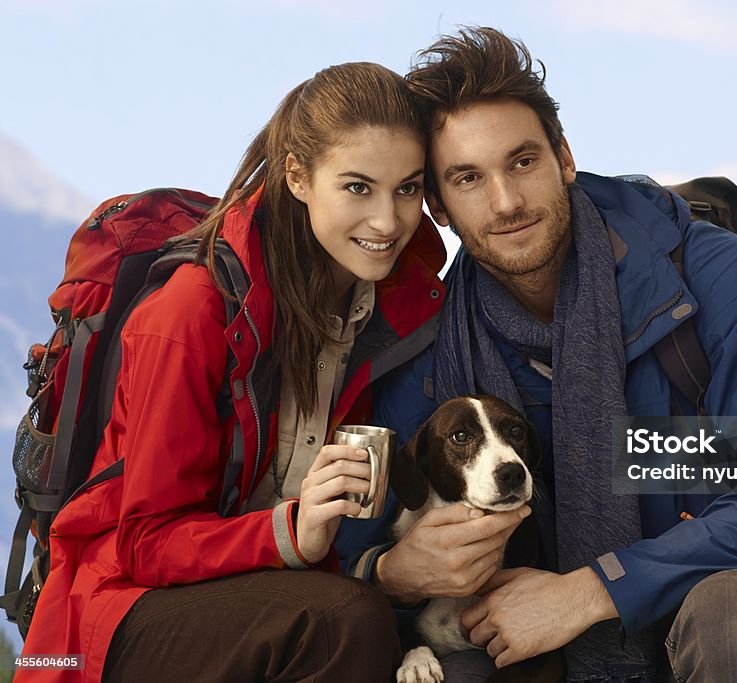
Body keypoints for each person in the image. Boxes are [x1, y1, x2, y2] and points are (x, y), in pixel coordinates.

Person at [336, 28, 737, 683]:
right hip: (528, 647)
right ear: (438, 205)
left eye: (523, 161)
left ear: (565, 157)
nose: (506, 201)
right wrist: (393, 569)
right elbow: (353, 538)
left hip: (710, 618)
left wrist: (594, 589)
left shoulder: (716, 279)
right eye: (469, 177)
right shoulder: (432, 347)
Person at [19, 62, 447, 683]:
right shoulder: (191, 311)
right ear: (298, 175)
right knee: (345, 622)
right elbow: (146, 542)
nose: (387, 221)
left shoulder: (392, 310)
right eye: (358, 187)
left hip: (256, 599)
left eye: (407, 189)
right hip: (111, 610)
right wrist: (291, 531)